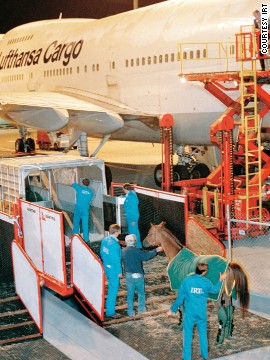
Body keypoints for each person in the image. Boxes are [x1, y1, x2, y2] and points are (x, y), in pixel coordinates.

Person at [166, 263, 227, 360]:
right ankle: (204, 355)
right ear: (204, 272)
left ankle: (186, 357)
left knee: (187, 335)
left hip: (189, 313)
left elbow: (180, 298)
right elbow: (215, 290)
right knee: (203, 333)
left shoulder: (186, 281)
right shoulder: (206, 282)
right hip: (201, 313)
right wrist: (220, 279)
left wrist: (171, 310)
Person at [122, 234, 163, 316]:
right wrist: (155, 250)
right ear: (134, 241)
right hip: (138, 275)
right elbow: (146, 256)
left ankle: (130, 312)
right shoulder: (137, 250)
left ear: (126, 242)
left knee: (130, 294)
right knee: (141, 293)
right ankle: (141, 310)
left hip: (128, 275)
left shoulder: (122, 251)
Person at [100, 224, 123, 318]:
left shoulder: (105, 240)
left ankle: (108, 308)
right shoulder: (115, 245)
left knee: (111, 289)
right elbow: (116, 260)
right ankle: (110, 311)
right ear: (118, 232)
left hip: (107, 267)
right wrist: (119, 271)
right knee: (113, 290)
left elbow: (102, 252)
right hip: (114, 270)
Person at [72, 172, 94, 242]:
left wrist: (74, 173)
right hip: (85, 209)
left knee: (76, 223)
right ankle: (86, 239)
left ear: (82, 183)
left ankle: (74, 238)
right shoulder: (91, 192)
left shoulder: (79, 189)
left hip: (78, 208)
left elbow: (72, 181)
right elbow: (90, 199)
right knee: (85, 225)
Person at [122, 183, 142, 248]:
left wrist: (133, 219)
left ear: (125, 189)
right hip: (131, 217)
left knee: (133, 232)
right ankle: (138, 245)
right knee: (135, 231)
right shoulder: (131, 194)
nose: (123, 191)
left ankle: (135, 246)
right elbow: (127, 196)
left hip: (132, 218)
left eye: (123, 189)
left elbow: (133, 209)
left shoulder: (131, 197)